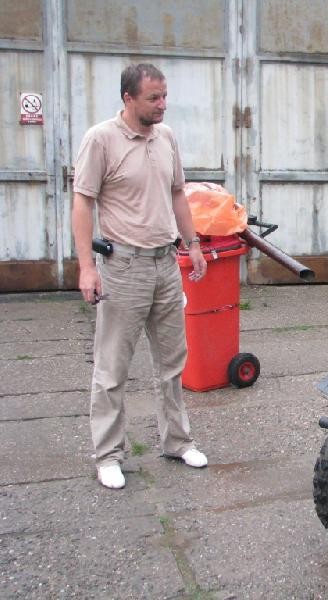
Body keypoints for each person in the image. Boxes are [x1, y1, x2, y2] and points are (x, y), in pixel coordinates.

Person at [72, 63, 208, 489]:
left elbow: (177, 193)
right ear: (128, 98)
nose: (162, 105)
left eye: (164, 96)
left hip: (165, 264)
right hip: (124, 268)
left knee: (172, 364)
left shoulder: (166, 137)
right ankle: (108, 455)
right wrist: (87, 267)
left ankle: (178, 442)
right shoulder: (101, 139)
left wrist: (193, 244)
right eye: (153, 98)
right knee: (113, 367)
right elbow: (82, 202)